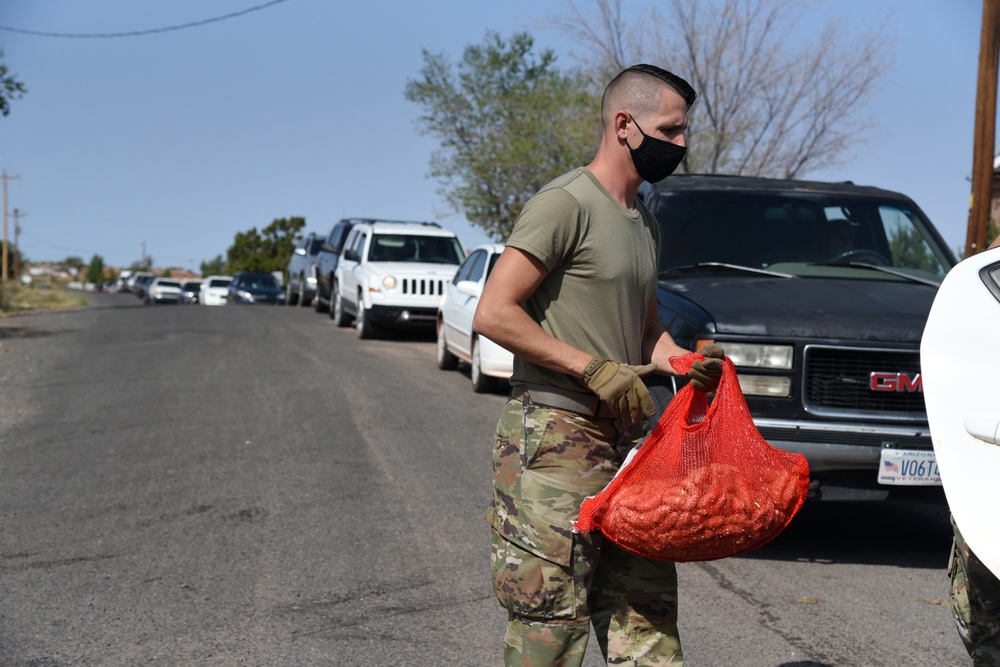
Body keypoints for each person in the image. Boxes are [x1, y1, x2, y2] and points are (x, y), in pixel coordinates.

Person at [473, 64, 725, 666]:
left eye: (684, 131)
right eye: (671, 130)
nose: (681, 145)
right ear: (624, 124)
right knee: (551, 624)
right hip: (555, 439)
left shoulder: (644, 220)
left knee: (648, 614)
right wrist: (591, 368)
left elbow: (645, 332)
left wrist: (684, 363)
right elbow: (494, 312)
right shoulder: (565, 205)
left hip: (630, 443)